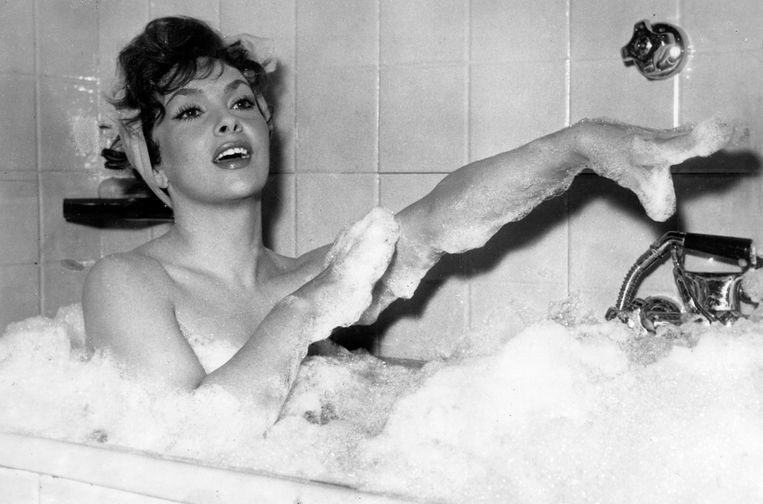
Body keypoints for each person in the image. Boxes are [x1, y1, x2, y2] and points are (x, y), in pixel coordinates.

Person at [83, 16, 735, 432]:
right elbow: (181, 446)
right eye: (189, 112)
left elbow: (440, 216)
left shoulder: (310, 274)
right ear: (154, 161)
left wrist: (581, 146)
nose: (229, 120)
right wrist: (307, 309)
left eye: (242, 102)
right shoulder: (128, 282)